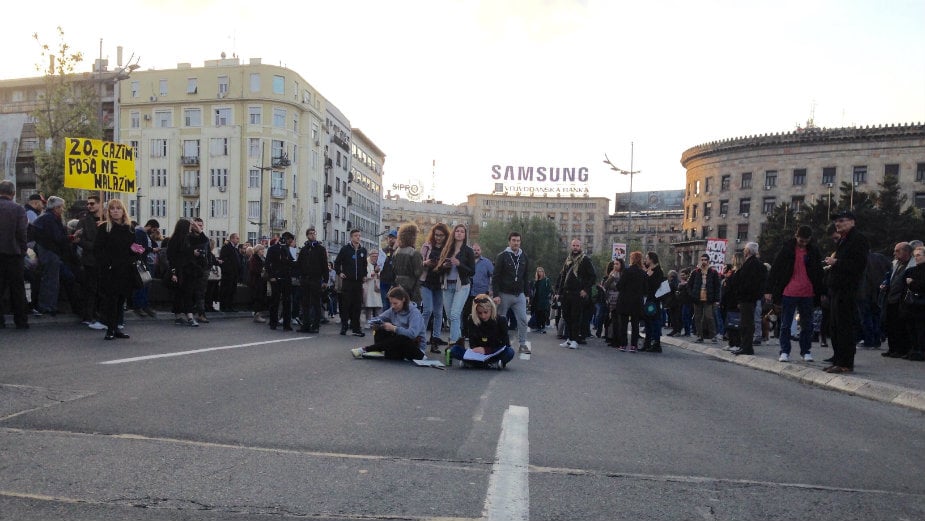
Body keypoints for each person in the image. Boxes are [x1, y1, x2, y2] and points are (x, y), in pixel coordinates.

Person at [765, 225, 825, 362]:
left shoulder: (813, 251)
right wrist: (768, 290)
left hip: (808, 291)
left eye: (805, 241)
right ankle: (785, 351)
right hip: (789, 291)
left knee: (807, 324)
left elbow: (819, 272)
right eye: (801, 240)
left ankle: (806, 351)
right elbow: (775, 269)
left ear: (809, 239)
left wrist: (821, 291)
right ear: (796, 236)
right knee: (786, 323)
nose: (803, 243)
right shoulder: (786, 249)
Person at [822, 211, 869, 372]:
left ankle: (845, 363)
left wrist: (837, 262)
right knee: (835, 326)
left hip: (847, 289)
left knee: (844, 326)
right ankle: (838, 359)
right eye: (836, 221)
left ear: (852, 222)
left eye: (841, 220)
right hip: (837, 288)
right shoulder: (843, 240)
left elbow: (858, 264)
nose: (838, 224)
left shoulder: (858, 239)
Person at [93, 199, 137, 340]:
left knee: (120, 300)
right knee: (111, 300)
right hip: (110, 270)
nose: (116, 211)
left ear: (123, 211)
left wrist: (138, 251)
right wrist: (106, 264)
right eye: (112, 208)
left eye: (118, 208)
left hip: (126, 269)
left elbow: (134, 247)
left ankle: (117, 327)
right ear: (109, 211)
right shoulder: (104, 227)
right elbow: (98, 250)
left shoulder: (129, 228)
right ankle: (110, 329)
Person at [31, 196, 78, 316]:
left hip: (46, 251)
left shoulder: (44, 217)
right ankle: (48, 307)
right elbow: (57, 238)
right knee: (51, 280)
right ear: (56, 208)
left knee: (49, 279)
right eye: (61, 207)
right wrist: (72, 237)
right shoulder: (50, 219)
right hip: (51, 252)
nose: (62, 209)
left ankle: (46, 305)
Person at [350, 286, 425, 360]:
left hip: (415, 348)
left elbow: (412, 334)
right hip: (398, 345)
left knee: (401, 337)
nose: (393, 306)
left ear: (403, 300)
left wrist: (394, 328)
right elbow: (379, 318)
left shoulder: (414, 313)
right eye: (391, 303)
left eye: (395, 303)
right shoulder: (393, 310)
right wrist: (375, 324)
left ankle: (366, 349)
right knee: (381, 328)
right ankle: (379, 351)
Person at [449, 294, 516, 368]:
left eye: (486, 312)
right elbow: (472, 344)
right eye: (479, 313)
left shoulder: (501, 320)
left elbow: (506, 344)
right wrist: (477, 350)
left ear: (491, 309)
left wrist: (486, 350)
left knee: (510, 352)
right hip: (478, 353)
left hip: (494, 352)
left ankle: (474, 364)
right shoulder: (472, 319)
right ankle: (489, 364)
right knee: (454, 350)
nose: (483, 316)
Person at [492, 231, 531, 354]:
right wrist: (496, 295)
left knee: (523, 320)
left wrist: (527, 294)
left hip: (519, 295)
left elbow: (526, 276)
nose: (516, 243)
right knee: (501, 320)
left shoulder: (524, 256)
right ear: (509, 242)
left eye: (518, 241)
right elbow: (496, 276)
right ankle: (500, 344)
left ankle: (523, 344)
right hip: (504, 294)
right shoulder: (502, 256)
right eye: (514, 240)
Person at [439, 224, 476, 349]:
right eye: (457, 231)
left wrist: (459, 264)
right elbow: (438, 268)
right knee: (450, 317)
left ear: (465, 235)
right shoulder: (447, 249)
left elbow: (472, 272)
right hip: (446, 285)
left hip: (462, 286)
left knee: (455, 315)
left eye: (462, 232)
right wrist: (444, 266)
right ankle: (459, 343)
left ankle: (453, 344)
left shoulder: (468, 251)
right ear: (453, 233)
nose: (459, 233)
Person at [726, 242, 766, 356]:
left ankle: (746, 347)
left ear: (748, 251)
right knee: (745, 323)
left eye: (745, 249)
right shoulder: (753, 263)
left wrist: (741, 295)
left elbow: (746, 283)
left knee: (746, 324)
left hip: (747, 298)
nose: (744, 251)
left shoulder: (751, 264)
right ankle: (745, 345)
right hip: (748, 298)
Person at [555, 238, 596, 349]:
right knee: (567, 317)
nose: (575, 247)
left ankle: (574, 340)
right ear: (571, 246)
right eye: (573, 245)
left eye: (577, 245)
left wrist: (585, 290)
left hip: (577, 293)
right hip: (566, 293)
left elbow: (593, 276)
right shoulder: (568, 259)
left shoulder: (585, 260)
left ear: (580, 247)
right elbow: (563, 276)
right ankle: (568, 339)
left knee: (575, 317)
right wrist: (559, 292)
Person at [0, 181, 29, 329]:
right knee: (17, 288)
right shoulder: (18, 209)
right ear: (13, 193)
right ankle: (21, 320)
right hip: (14, 253)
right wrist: (23, 250)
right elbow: (22, 232)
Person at [74, 195, 106, 329]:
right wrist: (93, 246)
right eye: (88, 204)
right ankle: (88, 315)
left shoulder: (106, 220)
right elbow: (79, 240)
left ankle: (99, 315)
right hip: (90, 260)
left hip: (104, 261)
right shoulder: (83, 221)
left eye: (92, 204)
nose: (89, 206)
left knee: (102, 289)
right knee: (90, 289)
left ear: (99, 204)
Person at [419, 223, 450, 350]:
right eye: (436, 235)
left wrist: (446, 265)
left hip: (440, 283)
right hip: (426, 281)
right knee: (427, 310)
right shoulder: (427, 246)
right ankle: (420, 338)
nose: (438, 238)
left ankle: (435, 341)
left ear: (445, 236)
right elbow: (418, 263)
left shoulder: (448, 248)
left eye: (441, 235)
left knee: (438, 313)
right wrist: (426, 262)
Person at [166, 219, 202, 327]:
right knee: (181, 293)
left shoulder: (188, 239)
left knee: (187, 293)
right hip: (180, 270)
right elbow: (171, 257)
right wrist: (173, 273)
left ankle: (184, 316)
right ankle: (185, 316)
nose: (192, 227)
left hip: (189, 270)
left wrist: (197, 227)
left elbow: (203, 239)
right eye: (190, 225)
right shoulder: (175, 240)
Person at [880, 242, 913, 359]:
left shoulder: (911, 265)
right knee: (890, 325)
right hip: (891, 298)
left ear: (907, 252)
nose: (894, 253)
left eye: (897, 251)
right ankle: (892, 348)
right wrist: (885, 284)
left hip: (901, 299)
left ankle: (901, 349)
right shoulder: (895, 263)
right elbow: (890, 277)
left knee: (900, 326)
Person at [334, 229, 369, 337]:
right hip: (348, 282)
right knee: (346, 305)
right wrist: (340, 273)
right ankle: (344, 326)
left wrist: (364, 274)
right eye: (355, 235)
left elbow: (364, 265)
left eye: (359, 235)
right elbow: (337, 262)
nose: (358, 237)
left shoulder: (363, 250)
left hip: (358, 283)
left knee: (357, 306)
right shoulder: (345, 249)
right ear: (351, 237)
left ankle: (356, 328)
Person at [296, 227, 328, 333]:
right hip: (305, 279)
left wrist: (325, 281)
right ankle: (306, 325)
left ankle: (315, 326)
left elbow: (324, 266)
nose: (313, 235)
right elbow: (299, 264)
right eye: (310, 233)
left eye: (314, 233)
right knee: (305, 303)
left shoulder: (320, 249)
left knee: (316, 303)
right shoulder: (304, 249)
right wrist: (299, 275)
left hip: (316, 279)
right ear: (307, 235)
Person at [266, 231, 296, 331]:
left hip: (286, 278)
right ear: (285, 239)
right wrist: (271, 276)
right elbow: (267, 263)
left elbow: (291, 262)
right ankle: (273, 322)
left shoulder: (288, 249)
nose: (290, 243)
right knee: (275, 301)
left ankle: (286, 324)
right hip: (276, 278)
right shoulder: (273, 249)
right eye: (289, 241)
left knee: (287, 302)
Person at [689, 254, 721, 344]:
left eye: (705, 260)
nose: (703, 261)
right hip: (697, 298)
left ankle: (713, 336)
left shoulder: (713, 272)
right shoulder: (695, 272)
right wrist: (692, 295)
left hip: (708, 299)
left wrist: (716, 300)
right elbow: (689, 285)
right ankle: (700, 336)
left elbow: (717, 287)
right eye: (702, 259)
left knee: (709, 317)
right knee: (698, 318)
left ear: (708, 261)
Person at [131, 219, 160, 318]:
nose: (154, 232)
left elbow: (153, 244)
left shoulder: (145, 234)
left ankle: (144, 305)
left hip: (146, 262)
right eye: (154, 229)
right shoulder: (139, 232)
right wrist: (151, 249)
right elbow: (136, 247)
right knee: (142, 285)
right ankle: (139, 306)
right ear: (150, 226)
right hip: (141, 262)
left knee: (146, 285)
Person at [464, 242, 494, 337]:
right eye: (474, 250)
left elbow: (493, 275)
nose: (476, 252)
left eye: (478, 250)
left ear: (481, 251)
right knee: (467, 314)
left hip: (482, 294)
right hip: (467, 293)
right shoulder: (467, 261)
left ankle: (482, 333)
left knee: (482, 314)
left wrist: (491, 289)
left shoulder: (487, 262)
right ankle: (467, 333)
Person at [390, 223, 424, 302]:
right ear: (412, 236)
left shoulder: (396, 252)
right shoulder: (414, 253)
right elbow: (418, 273)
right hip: (411, 287)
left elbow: (393, 271)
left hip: (398, 285)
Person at [641, 251, 666, 352]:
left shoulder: (658, 271)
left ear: (651, 259)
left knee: (654, 321)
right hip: (649, 299)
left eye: (647, 258)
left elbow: (653, 286)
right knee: (648, 321)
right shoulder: (649, 270)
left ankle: (656, 343)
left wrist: (648, 276)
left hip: (654, 301)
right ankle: (647, 343)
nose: (645, 260)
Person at [903, 246, 925, 361]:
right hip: (912, 305)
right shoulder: (912, 270)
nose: (916, 258)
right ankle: (915, 350)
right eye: (915, 255)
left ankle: (921, 351)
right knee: (912, 328)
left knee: (921, 328)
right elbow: (904, 280)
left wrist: (913, 283)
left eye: (919, 255)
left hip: (921, 305)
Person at [602, 259, 624, 347]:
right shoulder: (612, 273)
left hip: (620, 300)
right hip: (611, 300)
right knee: (613, 321)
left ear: (621, 265)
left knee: (619, 321)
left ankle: (619, 340)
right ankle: (613, 339)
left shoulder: (623, 274)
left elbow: (619, 287)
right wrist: (612, 277)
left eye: (617, 264)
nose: (615, 265)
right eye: (614, 264)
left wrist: (614, 285)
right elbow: (606, 285)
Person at [219, 232, 242, 312]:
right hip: (228, 274)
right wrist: (228, 270)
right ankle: (224, 307)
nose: (238, 240)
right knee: (226, 290)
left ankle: (230, 306)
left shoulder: (235, 248)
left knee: (232, 291)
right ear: (232, 238)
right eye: (237, 238)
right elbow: (223, 260)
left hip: (234, 274)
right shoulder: (226, 247)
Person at [376, 229, 398, 310]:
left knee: (393, 305)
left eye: (393, 238)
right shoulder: (383, 251)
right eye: (389, 237)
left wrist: (394, 249)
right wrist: (377, 268)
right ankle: (385, 322)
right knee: (385, 304)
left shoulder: (399, 251)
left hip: (394, 282)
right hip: (384, 280)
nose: (391, 239)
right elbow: (378, 266)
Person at [247, 244, 268, 323]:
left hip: (261, 280)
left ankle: (258, 314)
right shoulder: (254, 258)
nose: (263, 251)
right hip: (256, 281)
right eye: (261, 250)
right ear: (257, 251)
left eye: (263, 249)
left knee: (261, 298)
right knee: (257, 298)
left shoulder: (262, 258)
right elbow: (253, 269)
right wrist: (262, 270)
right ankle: (257, 315)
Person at [531, 266, 552, 334]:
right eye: (539, 271)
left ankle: (543, 327)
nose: (540, 273)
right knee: (537, 314)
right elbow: (534, 290)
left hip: (544, 300)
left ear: (543, 272)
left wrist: (547, 296)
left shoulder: (546, 280)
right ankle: (538, 327)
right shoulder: (536, 281)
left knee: (543, 314)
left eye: (541, 271)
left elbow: (550, 289)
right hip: (536, 300)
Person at [362, 250, 382, 322]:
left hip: (378, 287)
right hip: (369, 287)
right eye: (373, 256)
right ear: (370, 256)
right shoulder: (366, 264)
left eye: (376, 256)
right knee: (368, 306)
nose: (375, 258)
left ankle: (377, 322)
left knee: (378, 306)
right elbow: (364, 276)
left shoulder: (380, 263)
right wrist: (373, 273)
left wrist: (379, 274)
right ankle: (368, 321)